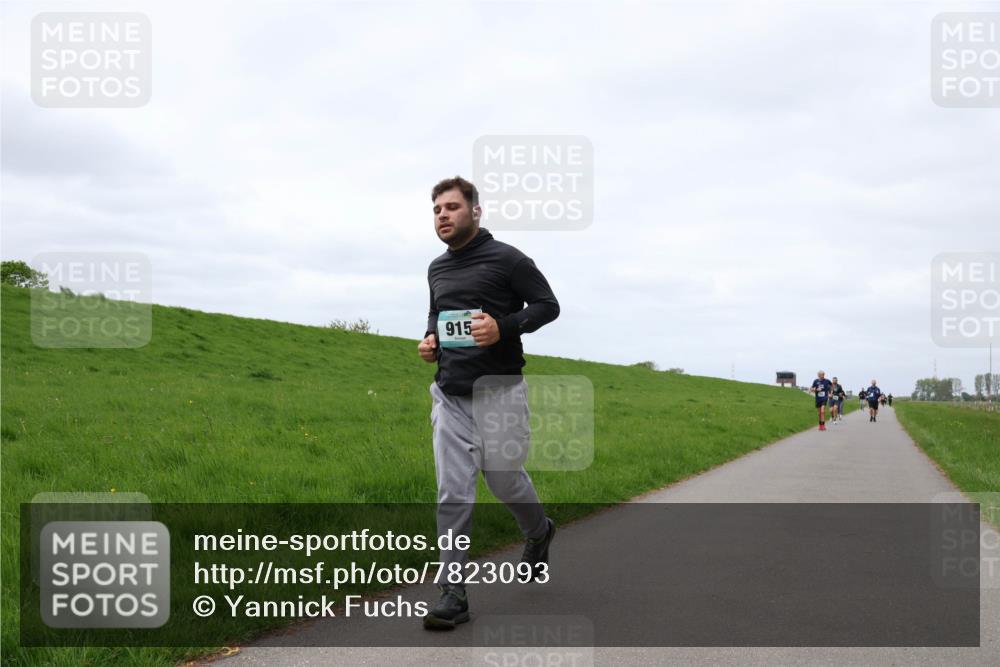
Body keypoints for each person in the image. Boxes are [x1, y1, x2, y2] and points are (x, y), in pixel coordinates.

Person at [417, 176, 559, 629]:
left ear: (475, 211)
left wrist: (503, 326)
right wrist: (430, 340)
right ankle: (452, 592)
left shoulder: (509, 259)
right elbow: (437, 314)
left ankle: (539, 531)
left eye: (452, 207)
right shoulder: (436, 268)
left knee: (504, 482)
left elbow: (547, 305)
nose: (443, 215)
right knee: (453, 492)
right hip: (450, 395)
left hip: (500, 393)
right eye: (437, 209)